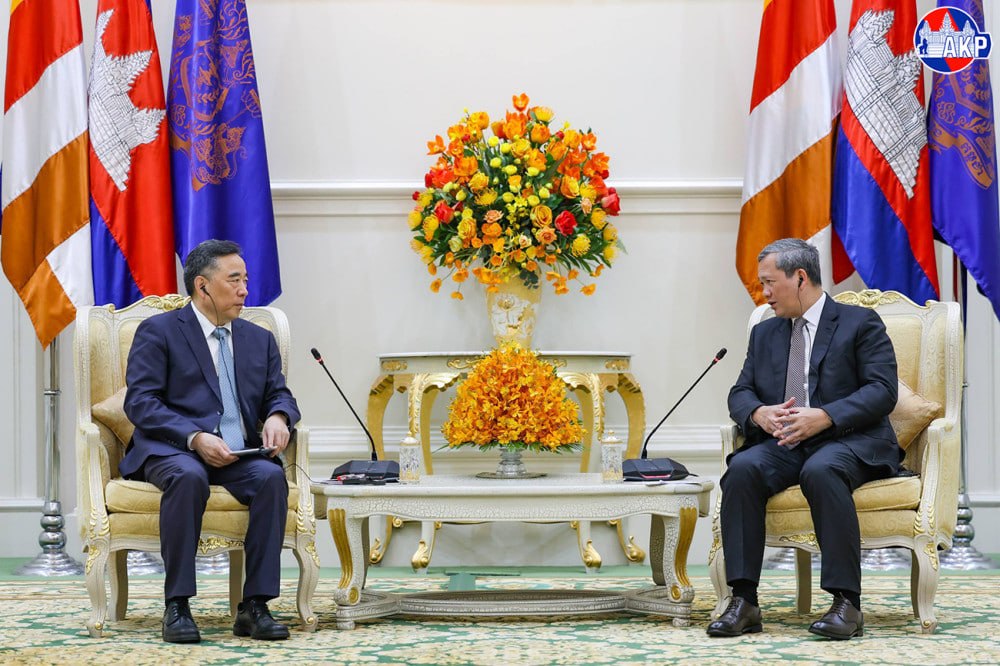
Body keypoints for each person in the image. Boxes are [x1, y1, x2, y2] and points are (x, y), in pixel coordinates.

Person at [708, 238, 901, 640]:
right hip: (787, 444)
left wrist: (826, 416)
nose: (764, 293)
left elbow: (882, 391)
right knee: (742, 469)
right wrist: (759, 413)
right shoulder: (765, 332)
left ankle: (847, 604)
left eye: (769, 282)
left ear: (799, 277)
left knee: (822, 469)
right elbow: (741, 392)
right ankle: (744, 601)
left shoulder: (860, 323)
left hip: (850, 440)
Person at [121, 239, 299, 643]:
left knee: (271, 478)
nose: (244, 290)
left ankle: (255, 606)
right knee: (188, 477)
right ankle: (178, 605)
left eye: (245, 280)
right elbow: (141, 402)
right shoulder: (159, 332)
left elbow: (279, 394)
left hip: (238, 452)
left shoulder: (258, 339)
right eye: (234, 280)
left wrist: (278, 416)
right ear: (202, 286)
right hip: (174, 450)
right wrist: (194, 436)